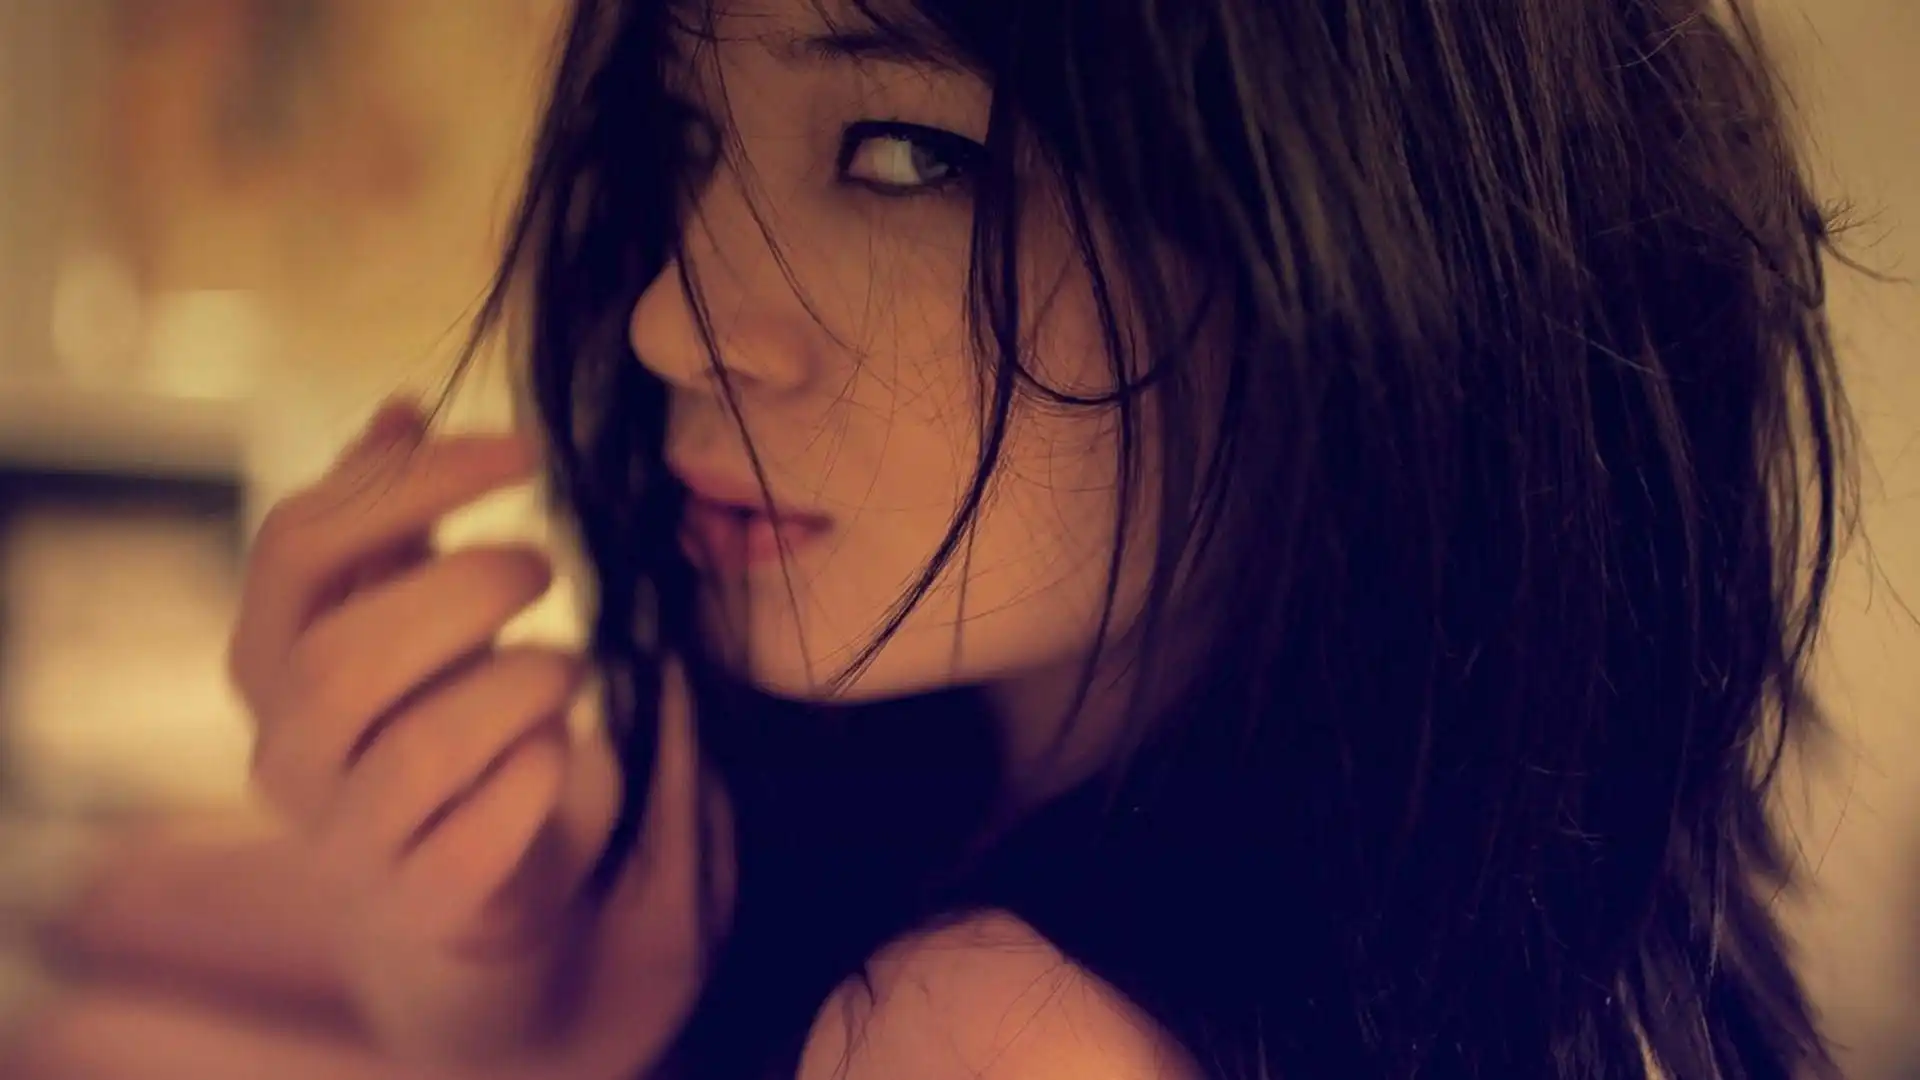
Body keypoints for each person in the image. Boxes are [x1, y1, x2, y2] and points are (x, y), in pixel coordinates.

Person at [2, 0, 1857, 1076]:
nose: (670, 319)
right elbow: (129, 899)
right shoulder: (944, 774)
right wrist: (487, 988)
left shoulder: (987, 1033)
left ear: (1374, 241)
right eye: (689, 140)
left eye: (906, 151)